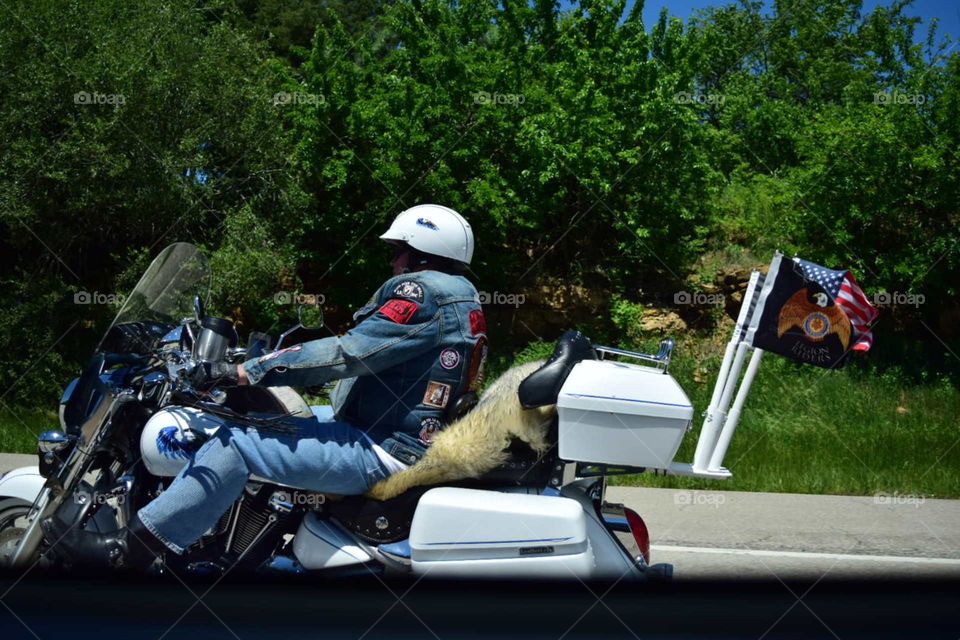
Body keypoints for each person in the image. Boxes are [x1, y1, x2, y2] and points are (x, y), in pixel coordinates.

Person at [46, 204, 489, 569]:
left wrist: (245, 371)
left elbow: (348, 353)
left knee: (236, 443)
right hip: (403, 437)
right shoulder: (464, 295)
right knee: (277, 417)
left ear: (421, 252)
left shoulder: (421, 291)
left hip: (383, 448)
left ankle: (127, 551)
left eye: (398, 252)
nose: (393, 262)